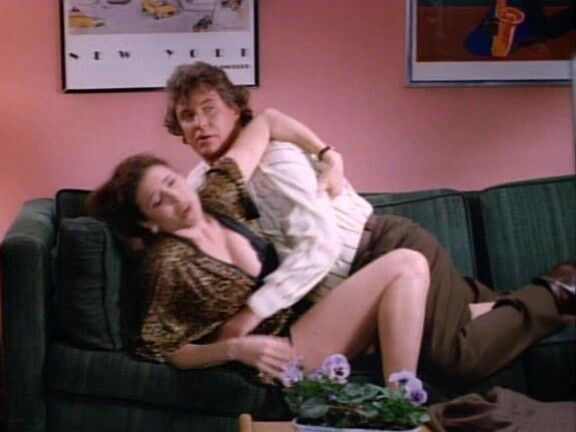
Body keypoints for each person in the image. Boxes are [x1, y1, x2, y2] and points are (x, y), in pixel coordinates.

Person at [163, 61, 575, 386]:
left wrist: (250, 315)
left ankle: (556, 291)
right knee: (456, 320)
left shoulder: (276, 159)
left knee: (453, 358)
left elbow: (320, 246)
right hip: (354, 283)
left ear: (236, 110)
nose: (200, 123)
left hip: (383, 250)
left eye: (209, 109)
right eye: (187, 116)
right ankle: (485, 303)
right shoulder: (202, 183)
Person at [87, 109, 430, 385]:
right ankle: (401, 410)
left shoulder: (216, 196)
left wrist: (329, 156)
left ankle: (400, 409)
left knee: (420, 280)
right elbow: (164, 347)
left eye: (172, 182)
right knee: (406, 265)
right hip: (281, 352)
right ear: (149, 223)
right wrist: (234, 349)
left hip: (310, 315)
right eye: (159, 200)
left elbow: (266, 122)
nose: (177, 198)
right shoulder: (166, 261)